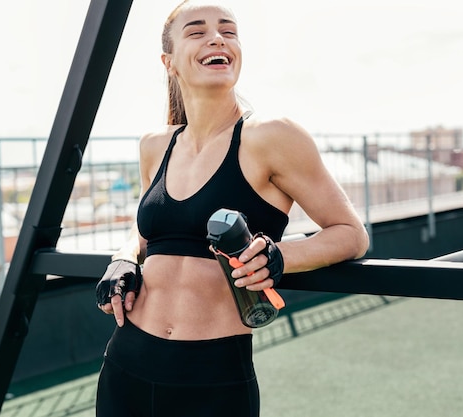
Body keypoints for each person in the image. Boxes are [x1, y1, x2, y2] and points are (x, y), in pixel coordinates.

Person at [95, 1, 370, 416]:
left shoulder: (271, 136)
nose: (217, 36)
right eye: (197, 31)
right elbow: (149, 229)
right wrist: (122, 258)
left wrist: (278, 257)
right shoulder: (155, 145)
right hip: (125, 363)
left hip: (213, 378)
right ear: (169, 62)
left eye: (228, 29)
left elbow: (351, 234)